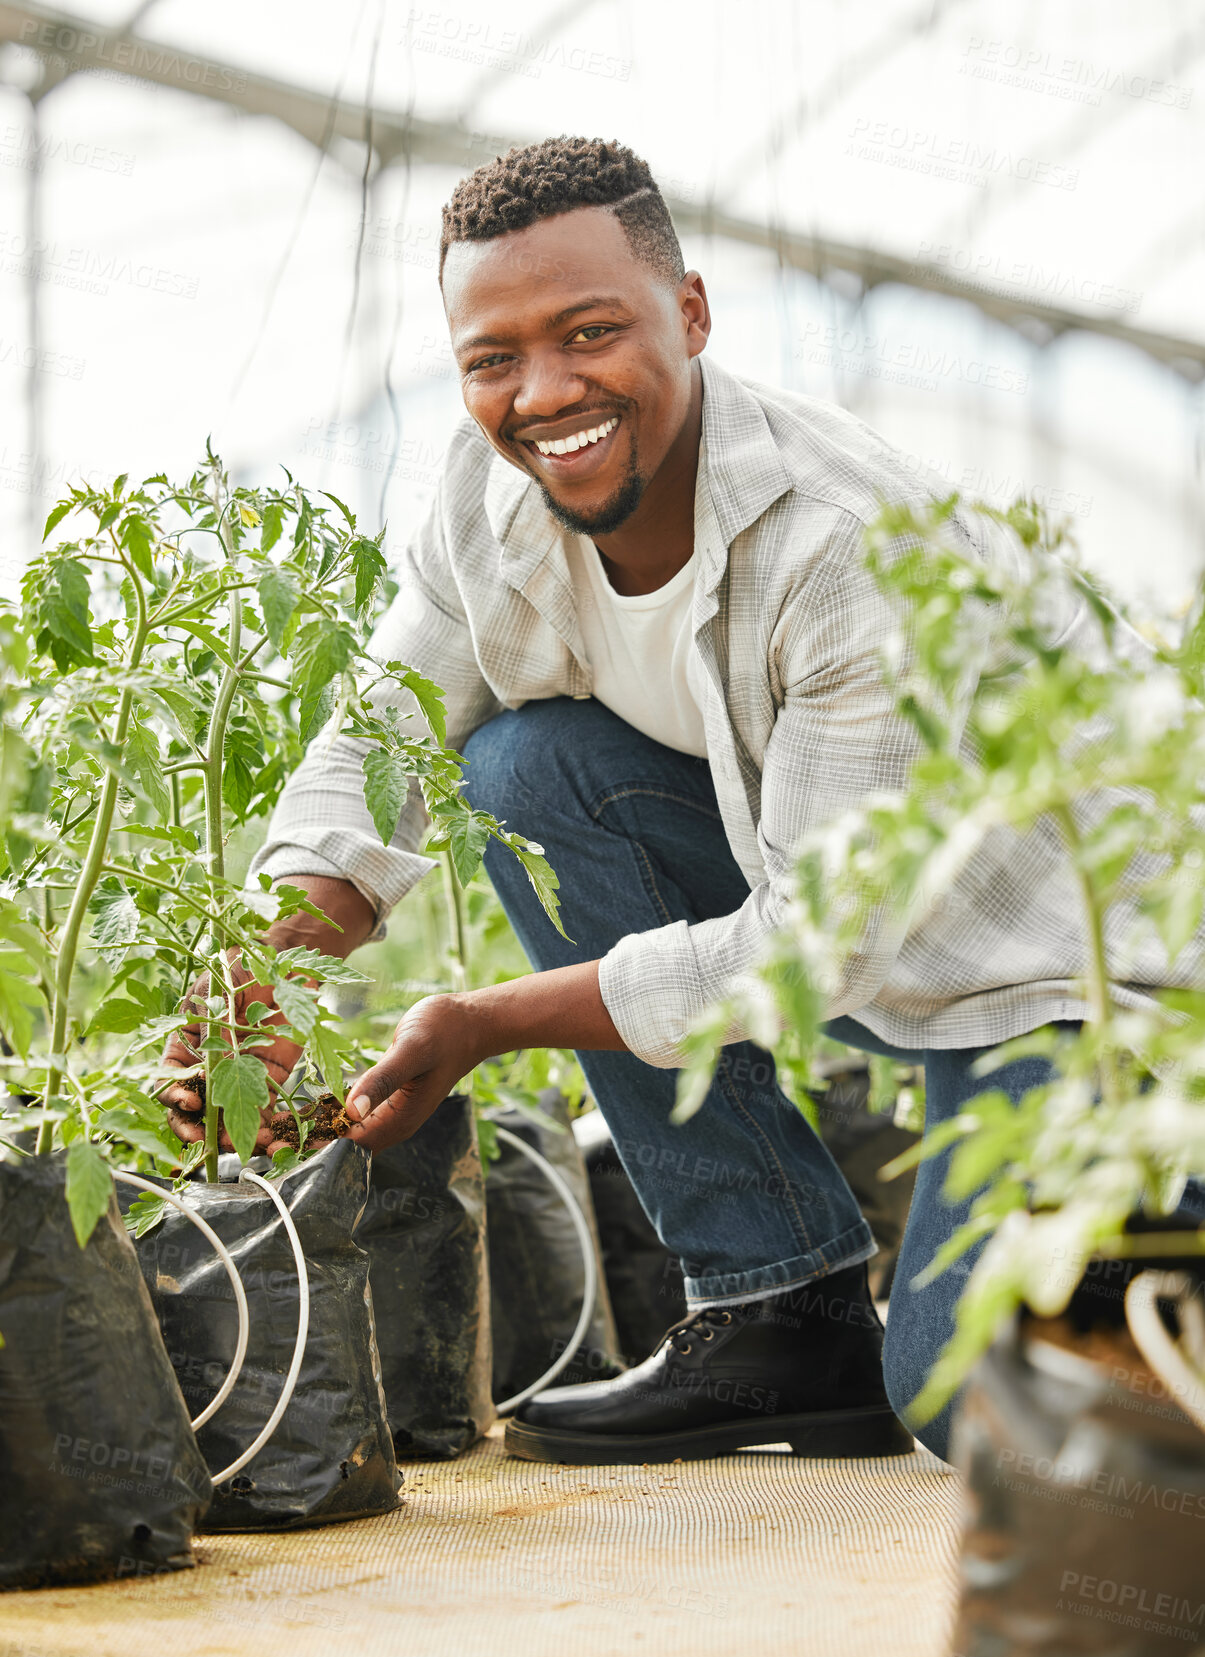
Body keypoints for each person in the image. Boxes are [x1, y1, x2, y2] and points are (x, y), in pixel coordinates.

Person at [161, 136, 1192, 1466]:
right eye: (492, 358)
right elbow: (388, 736)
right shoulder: (493, 495)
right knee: (524, 772)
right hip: (904, 973)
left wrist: (483, 1022)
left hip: (1080, 989)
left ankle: (1168, 1205)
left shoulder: (840, 542)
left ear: (690, 314)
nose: (543, 392)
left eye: (589, 333)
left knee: (967, 1397)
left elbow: (812, 946)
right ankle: (776, 1311)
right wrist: (263, 974)